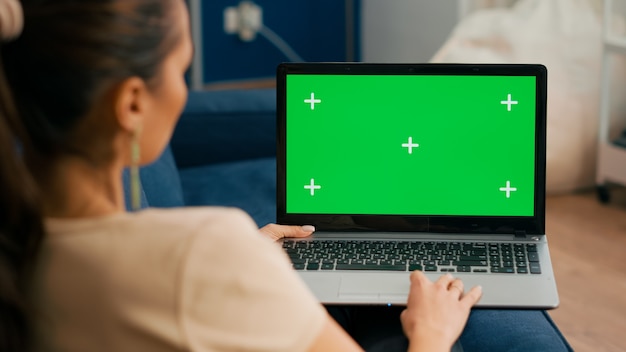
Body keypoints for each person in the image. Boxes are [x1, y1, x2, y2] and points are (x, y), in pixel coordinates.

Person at [0, 0, 483, 351]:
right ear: (131, 103)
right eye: (180, 71)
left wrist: (238, 264)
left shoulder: (18, 249)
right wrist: (431, 335)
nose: (184, 94)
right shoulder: (202, 251)